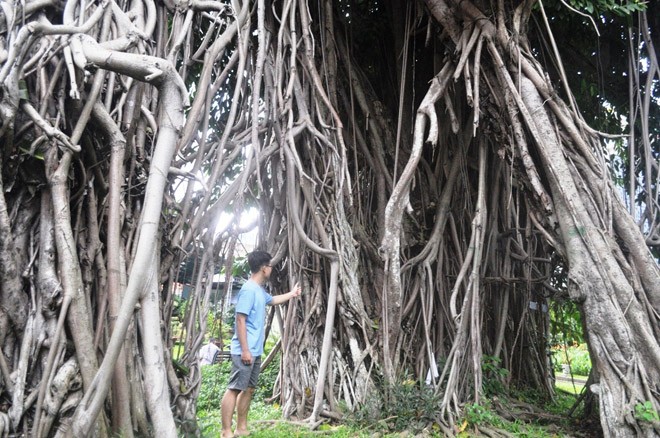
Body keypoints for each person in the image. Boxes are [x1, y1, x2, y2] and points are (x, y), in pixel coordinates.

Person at [220, 250, 301, 438]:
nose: (272, 269)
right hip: (244, 350)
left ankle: (241, 427)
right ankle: (226, 431)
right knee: (234, 388)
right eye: (270, 266)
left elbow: (272, 300)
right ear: (264, 268)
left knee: (248, 389)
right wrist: (245, 350)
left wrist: (292, 293)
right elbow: (240, 320)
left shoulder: (258, 290)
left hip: (254, 350)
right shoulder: (248, 290)